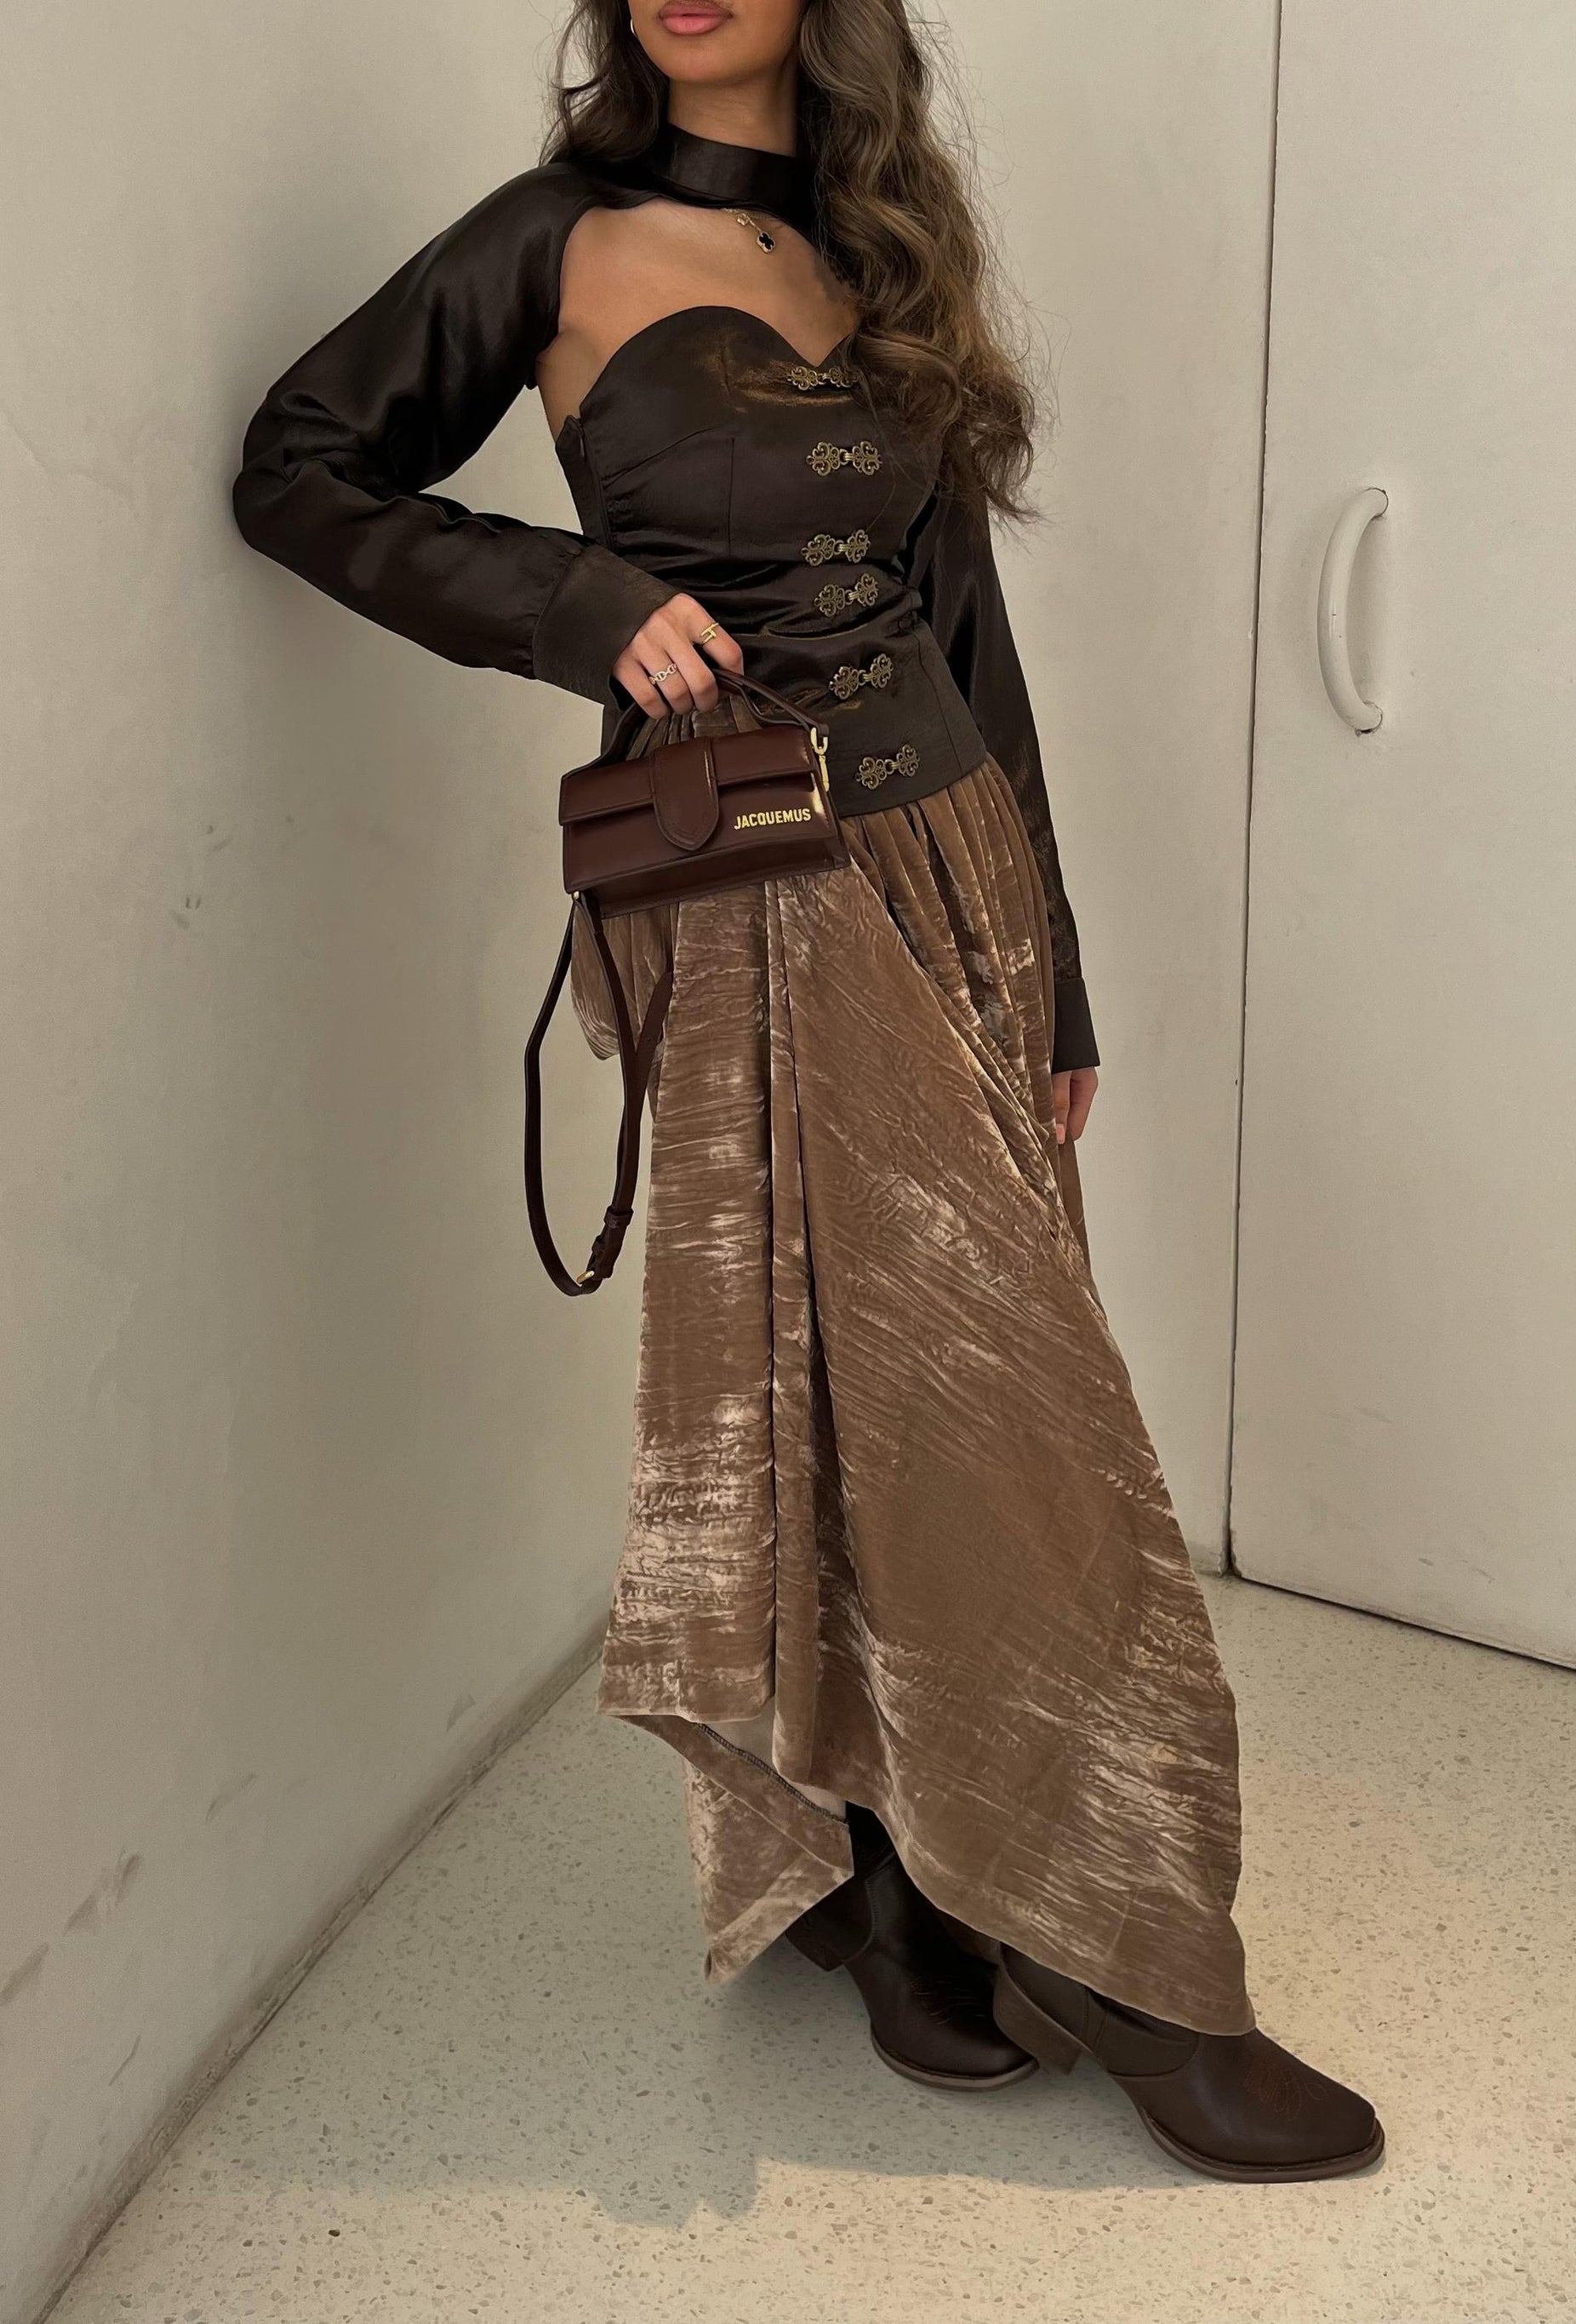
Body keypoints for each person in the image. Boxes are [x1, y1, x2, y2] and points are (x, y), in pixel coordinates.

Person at [233, 0, 1382, 2183]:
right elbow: (297, 465)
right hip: (754, 895)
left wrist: (1056, 978)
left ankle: (899, 1882)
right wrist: (571, 595)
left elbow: (967, 636)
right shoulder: (550, 238)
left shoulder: (878, 248)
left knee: (892, 1393)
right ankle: (1139, 1960)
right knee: (983, 1409)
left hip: (951, 860)